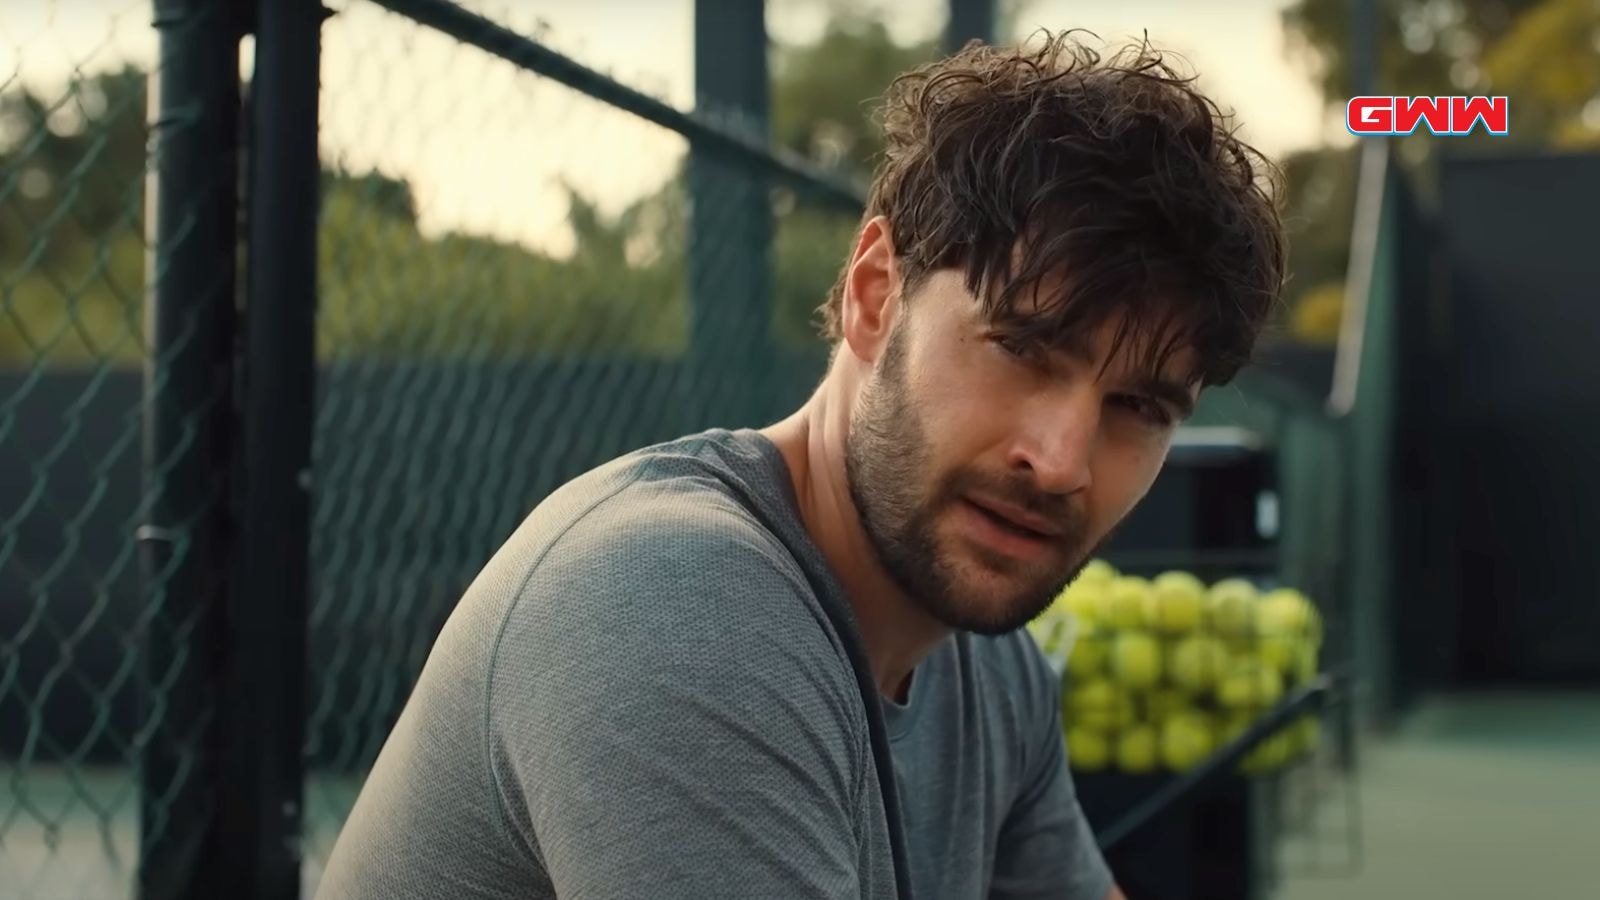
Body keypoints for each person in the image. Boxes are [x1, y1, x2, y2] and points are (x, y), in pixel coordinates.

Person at [316, 29, 1284, 900]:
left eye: (1137, 408)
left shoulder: (992, 670)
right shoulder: (669, 605)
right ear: (873, 297)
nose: (1062, 461)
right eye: (1023, 348)